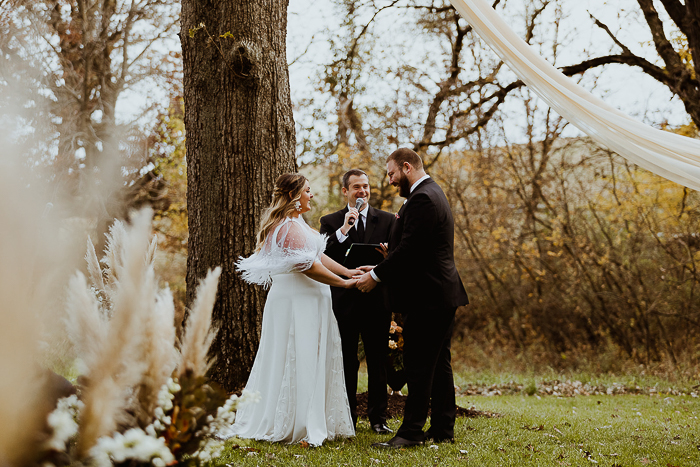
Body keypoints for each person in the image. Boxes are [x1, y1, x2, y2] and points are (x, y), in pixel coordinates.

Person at [222, 173, 357, 446]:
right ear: (295, 195)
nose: (311, 195)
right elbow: (307, 267)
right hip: (297, 301)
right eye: (308, 190)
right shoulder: (286, 227)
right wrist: (343, 284)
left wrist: (348, 271)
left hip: (310, 298)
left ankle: (310, 415)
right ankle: (297, 420)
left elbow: (318, 256)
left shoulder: (299, 223)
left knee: (310, 353)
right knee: (297, 354)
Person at [355, 148, 469, 448]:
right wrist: (380, 265)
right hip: (439, 293)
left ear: (407, 167)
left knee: (419, 365)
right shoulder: (432, 193)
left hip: (428, 297)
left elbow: (409, 252)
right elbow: (413, 249)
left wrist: (375, 276)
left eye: (392, 173)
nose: (390, 180)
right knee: (438, 364)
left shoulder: (422, 198)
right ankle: (443, 428)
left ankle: (410, 432)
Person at [319, 169, 395, 434]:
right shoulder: (330, 222)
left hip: (377, 301)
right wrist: (344, 229)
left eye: (366, 186)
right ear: (345, 191)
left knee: (377, 361)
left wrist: (387, 257)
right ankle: (347, 416)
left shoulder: (387, 220)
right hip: (345, 301)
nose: (362, 192)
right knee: (346, 361)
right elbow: (323, 256)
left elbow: (398, 258)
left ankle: (378, 419)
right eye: (356, 188)